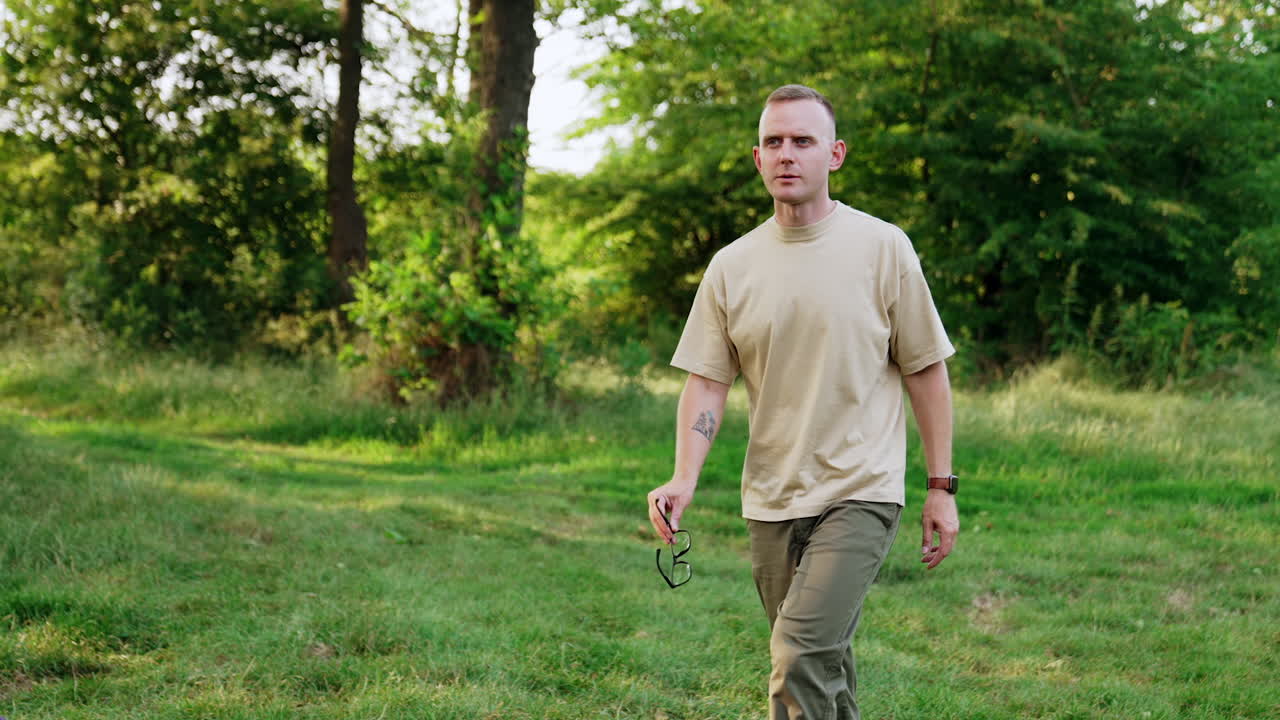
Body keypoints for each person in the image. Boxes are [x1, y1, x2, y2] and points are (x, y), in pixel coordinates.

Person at [646, 84, 960, 720]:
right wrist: (684, 476)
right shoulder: (732, 266)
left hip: (861, 490)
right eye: (773, 142)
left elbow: (925, 369)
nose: (786, 154)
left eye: (802, 141)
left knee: (797, 654)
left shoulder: (883, 248)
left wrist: (940, 486)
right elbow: (708, 381)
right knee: (823, 667)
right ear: (758, 159)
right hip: (772, 498)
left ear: (835, 154)